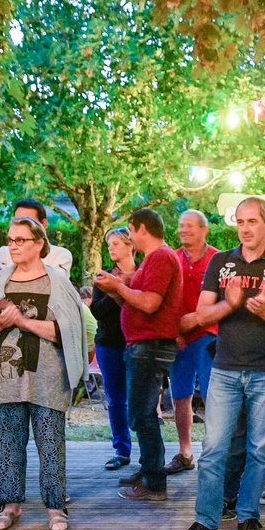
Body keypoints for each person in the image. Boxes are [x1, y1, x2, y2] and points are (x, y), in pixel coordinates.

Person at [178, 197, 265, 530]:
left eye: (252, 221)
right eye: (240, 222)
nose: (245, 229)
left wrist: (264, 311)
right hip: (225, 368)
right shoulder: (221, 262)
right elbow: (201, 316)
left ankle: (248, 516)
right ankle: (207, 519)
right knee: (213, 448)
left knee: (258, 450)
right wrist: (229, 304)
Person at [0, 216, 88, 530]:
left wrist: (22, 322)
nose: (14, 246)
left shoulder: (57, 283)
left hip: (48, 377)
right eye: (10, 240)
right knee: (7, 444)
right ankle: (10, 506)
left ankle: (56, 508)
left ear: (39, 243)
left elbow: (66, 332)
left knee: (50, 444)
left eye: (21, 240)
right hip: (5, 376)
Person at [93, 210, 183, 502]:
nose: (129, 237)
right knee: (140, 413)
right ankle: (148, 470)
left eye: (130, 231)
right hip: (142, 344)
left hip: (150, 345)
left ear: (141, 228)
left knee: (143, 415)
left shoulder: (160, 257)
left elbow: (149, 303)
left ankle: (154, 482)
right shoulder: (153, 260)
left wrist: (119, 285)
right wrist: (115, 290)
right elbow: (134, 302)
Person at [165, 210, 220, 474]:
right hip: (179, 338)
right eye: (180, 225)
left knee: (213, 395)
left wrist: (202, 320)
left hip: (209, 333)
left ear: (204, 229)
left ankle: (213, 452)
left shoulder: (218, 259)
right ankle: (185, 452)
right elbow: (165, 300)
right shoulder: (172, 258)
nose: (183, 230)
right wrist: (174, 332)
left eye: (189, 225)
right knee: (180, 395)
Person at [89, 227, 138, 470]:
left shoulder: (143, 273)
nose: (111, 248)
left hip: (137, 343)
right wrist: (112, 289)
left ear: (130, 246)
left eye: (116, 243)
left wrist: (122, 288)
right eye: (109, 244)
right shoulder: (103, 276)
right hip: (109, 343)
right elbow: (96, 311)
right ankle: (121, 449)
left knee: (140, 398)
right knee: (115, 399)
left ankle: (150, 453)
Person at [0, 199, 74, 275]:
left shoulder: (60, 255)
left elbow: (52, 283)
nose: (20, 226)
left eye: (27, 222)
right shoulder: (3, 253)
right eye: (17, 221)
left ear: (43, 224)